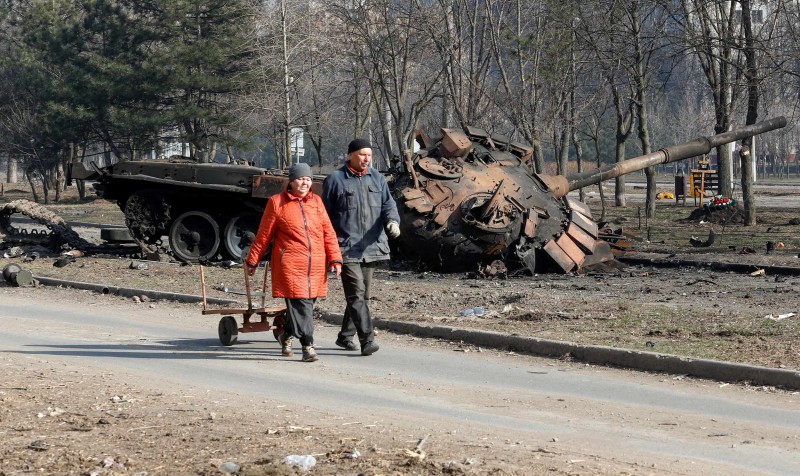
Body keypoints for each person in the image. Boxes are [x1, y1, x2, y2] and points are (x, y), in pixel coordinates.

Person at [245, 162, 342, 362]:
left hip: (315, 265)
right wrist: (252, 260)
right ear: (291, 181)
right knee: (302, 307)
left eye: (308, 179)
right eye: (301, 178)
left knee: (305, 306)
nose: (305, 183)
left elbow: (328, 233)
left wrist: (335, 258)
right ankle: (308, 346)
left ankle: (286, 335)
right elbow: (264, 235)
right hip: (289, 264)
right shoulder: (276, 202)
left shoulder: (316, 202)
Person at [322, 138, 401, 356]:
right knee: (356, 294)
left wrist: (393, 221)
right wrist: (328, 249)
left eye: (369, 155)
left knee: (362, 296)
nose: (366, 159)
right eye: (362, 154)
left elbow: (388, 205)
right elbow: (324, 217)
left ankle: (345, 336)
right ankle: (367, 340)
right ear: (350, 155)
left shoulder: (377, 179)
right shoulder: (336, 179)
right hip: (345, 248)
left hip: (371, 247)